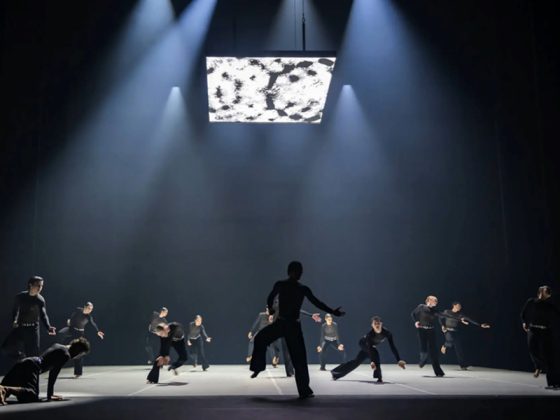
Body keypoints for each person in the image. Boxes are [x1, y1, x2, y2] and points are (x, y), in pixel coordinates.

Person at [250, 261, 345, 399]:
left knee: (298, 358)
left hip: (290, 325)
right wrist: (270, 308)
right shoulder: (286, 285)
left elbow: (316, 302)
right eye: (299, 271)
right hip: (285, 323)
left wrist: (332, 311)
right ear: (291, 272)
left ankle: (304, 390)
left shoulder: (298, 288)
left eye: (301, 271)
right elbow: (270, 297)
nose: (301, 274)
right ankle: (259, 367)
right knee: (260, 338)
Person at [0, 337, 90, 403]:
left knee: (9, 393)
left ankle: (4, 388)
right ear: (78, 351)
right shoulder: (65, 355)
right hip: (32, 366)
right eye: (81, 355)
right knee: (32, 395)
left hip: (24, 363)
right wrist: (50, 395)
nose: (79, 357)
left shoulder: (58, 345)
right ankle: (6, 389)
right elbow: (53, 374)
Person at [331, 316, 406, 383]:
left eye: (378, 323)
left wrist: (398, 360)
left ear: (381, 324)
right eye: (375, 324)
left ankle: (336, 373)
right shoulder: (370, 335)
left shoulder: (387, 333)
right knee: (375, 353)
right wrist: (372, 361)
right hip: (363, 344)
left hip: (371, 347)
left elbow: (392, 347)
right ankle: (379, 377)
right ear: (372, 325)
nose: (377, 325)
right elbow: (370, 348)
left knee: (356, 362)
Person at [2, 276, 56, 360]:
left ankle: (29, 363)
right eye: (38, 285)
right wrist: (15, 320)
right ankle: (22, 357)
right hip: (21, 328)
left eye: (41, 286)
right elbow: (15, 310)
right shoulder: (20, 297)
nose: (40, 288)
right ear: (30, 285)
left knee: (33, 356)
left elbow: (43, 315)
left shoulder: (40, 300)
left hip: (33, 330)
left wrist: (48, 327)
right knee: (6, 347)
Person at [411, 295, 462, 377]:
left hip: (431, 331)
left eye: (436, 300)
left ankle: (438, 371)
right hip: (422, 330)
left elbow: (445, 315)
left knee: (434, 352)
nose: (436, 302)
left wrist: (458, 318)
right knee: (424, 349)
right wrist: (416, 321)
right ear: (429, 301)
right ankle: (422, 360)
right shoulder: (421, 307)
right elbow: (413, 314)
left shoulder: (434, 311)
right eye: (435, 300)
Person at [521, 286, 560, 389]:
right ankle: (538, 366)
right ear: (540, 292)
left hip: (546, 331)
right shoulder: (531, 301)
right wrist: (524, 322)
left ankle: (554, 383)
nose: (547, 293)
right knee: (532, 349)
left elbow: (557, 315)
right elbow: (524, 313)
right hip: (533, 330)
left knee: (549, 356)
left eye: (548, 292)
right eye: (545, 291)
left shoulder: (550, 304)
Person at [58, 302, 105, 378]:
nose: (90, 310)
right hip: (71, 329)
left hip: (79, 333)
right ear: (85, 307)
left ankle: (78, 372)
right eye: (89, 308)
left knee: (78, 352)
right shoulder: (78, 310)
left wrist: (97, 331)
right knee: (60, 333)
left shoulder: (88, 317)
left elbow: (93, 324)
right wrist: (69, 320)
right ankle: (60, 349)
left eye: (91, 309)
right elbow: (71, 315)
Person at [439, 302, 490, 370]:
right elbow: (440, 318)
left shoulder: (460, 315)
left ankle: (463, 365)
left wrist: (480, 325)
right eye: (458, 306)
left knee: (459, 348)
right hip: (447, 330)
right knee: (450, 340)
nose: (459, 307)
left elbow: (470, 319)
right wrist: (442, 325)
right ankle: (445, 346)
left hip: (455, 331)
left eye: (460, 306)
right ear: (454, 305)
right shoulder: (447, 312)